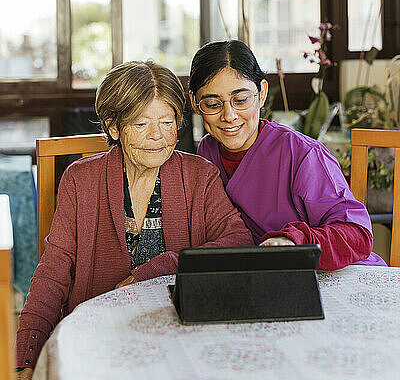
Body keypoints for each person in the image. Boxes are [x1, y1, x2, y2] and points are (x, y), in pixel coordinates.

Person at [16, 61, 253, 377]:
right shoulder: (80, 180)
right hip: (98, 334)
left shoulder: (200, 176)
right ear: (114, 127)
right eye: (141, 125)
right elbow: (53, 273)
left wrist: (163, 266)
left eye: (167, 122)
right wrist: (25, 358)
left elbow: (238, 241)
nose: (158, 136)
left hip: (180, 334)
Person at [189, 40, 386, 272]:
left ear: (261, 93)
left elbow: (357, 235)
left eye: (241, 100)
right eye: (212, 104)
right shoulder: (206, 152)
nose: (229, 116)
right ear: (195, 103)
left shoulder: (303, 154)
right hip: (265, 279)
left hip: (334, 276)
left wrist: (293, 242)